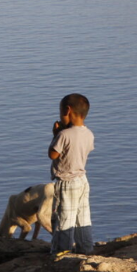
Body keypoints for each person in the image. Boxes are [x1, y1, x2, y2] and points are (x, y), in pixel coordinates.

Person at [48, 93, 96, 255]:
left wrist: (55, 135)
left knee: (64, 218)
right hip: (82, 180)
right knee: (82, 216)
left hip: (66, 182)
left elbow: (53, 155)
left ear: (67, 111)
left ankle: (61, 251)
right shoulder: (89, 133)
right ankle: (86, 249)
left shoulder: (63, 135)